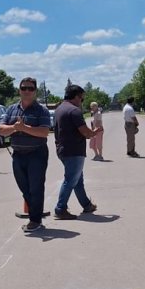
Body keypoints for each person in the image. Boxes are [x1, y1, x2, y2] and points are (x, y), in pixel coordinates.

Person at [0, 77, 51, 233]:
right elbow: (1, 129)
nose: (27, 91)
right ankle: (34, 215)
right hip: (18, 154)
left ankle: (35, 220)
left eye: (30, 88)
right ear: (19, 90)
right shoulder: (11, 109)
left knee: (35, 188)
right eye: (24, 88)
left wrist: (24, 127)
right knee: (24, 188)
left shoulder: (41, 110)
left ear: (35, 91)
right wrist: (15, 128)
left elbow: (44, 132)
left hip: (37, 154)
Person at [53, 84, 102, 220]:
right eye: (82, 99)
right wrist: (94, 133)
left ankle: (86, 204)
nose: (82, 102)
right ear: (76, 97)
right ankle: (60, 208)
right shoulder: (74, 111)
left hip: (62, 149)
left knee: (77, 179)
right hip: (74, 151)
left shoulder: (59, 109)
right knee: (70, 180)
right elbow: (85, 132)